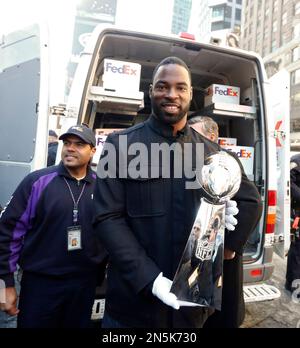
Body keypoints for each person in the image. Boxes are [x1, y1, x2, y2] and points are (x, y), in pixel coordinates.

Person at [93, 56, 262, 328]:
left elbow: (250, 199)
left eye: (180, 87)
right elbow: (106, 218)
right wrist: (150, 279)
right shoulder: (119, 145)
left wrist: (228, 243)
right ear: (151, 92)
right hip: (133, 307)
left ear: (190, 94)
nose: (171, 94)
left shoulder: (213, 154)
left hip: (190, 311)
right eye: (162, 86)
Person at [0, 124, 107, 328]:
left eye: (79, 144)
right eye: (67, 143)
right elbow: (7, 233)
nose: (70, 148)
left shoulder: (103, 187)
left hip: (83, 286)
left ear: (93, 150)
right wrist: (5, 283)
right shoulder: (37, 181)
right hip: (40, 285)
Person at [188, 115, 253, 327]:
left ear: (212, 136)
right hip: (198, 246)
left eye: (194, 133)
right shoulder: (192, 158)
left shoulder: (224, 158)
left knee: (221, 312)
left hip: (222, 253)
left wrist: (231, 246)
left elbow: (252, 201)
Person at [286, 154, 300, 293]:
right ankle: (293, 284)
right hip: (297, 213)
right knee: (297, 250)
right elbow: (288, 183)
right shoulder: (296, 161)